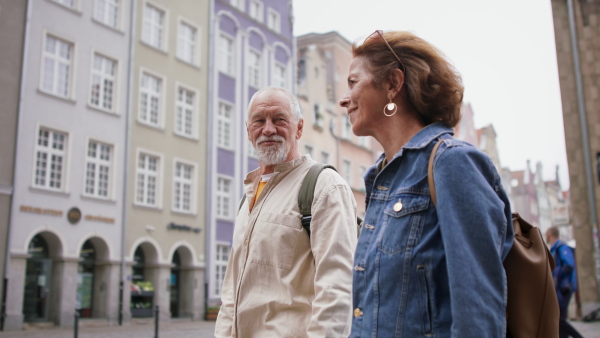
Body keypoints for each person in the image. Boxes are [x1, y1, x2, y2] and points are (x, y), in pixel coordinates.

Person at [338, 30, 514, 337]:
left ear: (393, 84)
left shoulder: (452, 163)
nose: (344, 99)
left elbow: (478, 313)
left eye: (354, 83)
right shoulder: (382, 181)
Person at [214, 87, 358, 337]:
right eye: (259, 121)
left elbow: (337, 288)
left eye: (279, 120)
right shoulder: (248, 195)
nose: (268, 129)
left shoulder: (324, 186)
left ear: (299, 128)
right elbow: (231, 291)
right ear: (248, 131)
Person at [546, 226, 583, 338]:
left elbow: (568, 266)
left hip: (564, 288)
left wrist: (560, 281)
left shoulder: (561, 247)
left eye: (546, 235)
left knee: (559, 319)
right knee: (559, 319)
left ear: (550, 235)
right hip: (560, 288)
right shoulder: (554, 248)